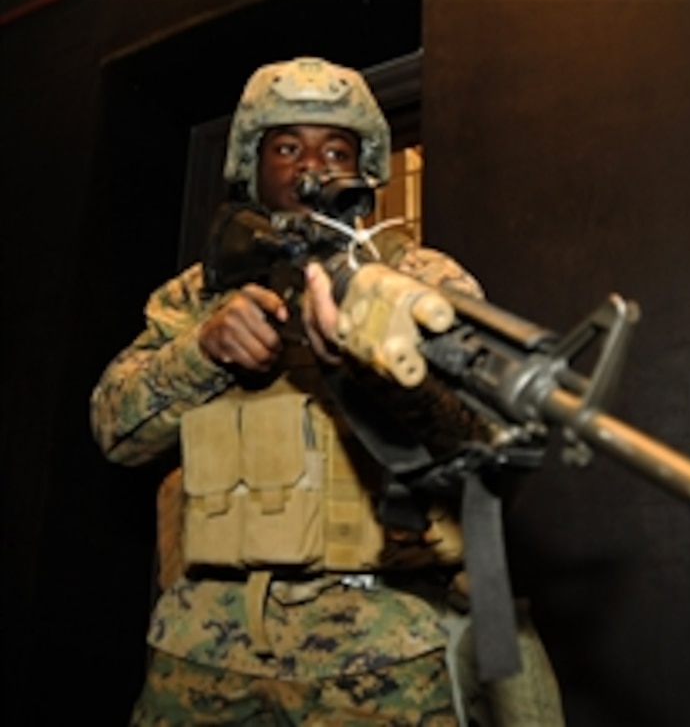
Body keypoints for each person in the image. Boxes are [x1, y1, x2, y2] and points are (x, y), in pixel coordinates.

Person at [90, 56, 562, 726]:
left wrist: (379, 367)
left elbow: (483, 432)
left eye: (335, 149)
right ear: (251, 168)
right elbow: (114, 430)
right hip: (205, 646)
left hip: (381, 650)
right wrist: (203, 353)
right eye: (286, 147)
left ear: (364, 171)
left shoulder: (416, 277)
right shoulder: (196, 295)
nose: (311, 167)